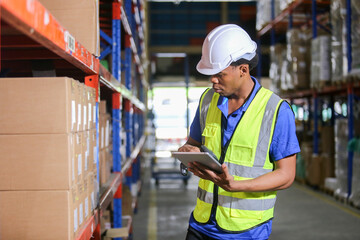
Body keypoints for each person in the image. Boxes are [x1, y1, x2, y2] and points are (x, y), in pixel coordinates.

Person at [177, 24, 300, 240]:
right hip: (201, 224)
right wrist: (188, 151)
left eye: (219, 74)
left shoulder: (276, 111)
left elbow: (286, 175)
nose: (213, 80)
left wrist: (238, 186)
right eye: (211, 74)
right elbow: (194, 141)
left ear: (243, 70)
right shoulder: (208, 100)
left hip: (246, 231)